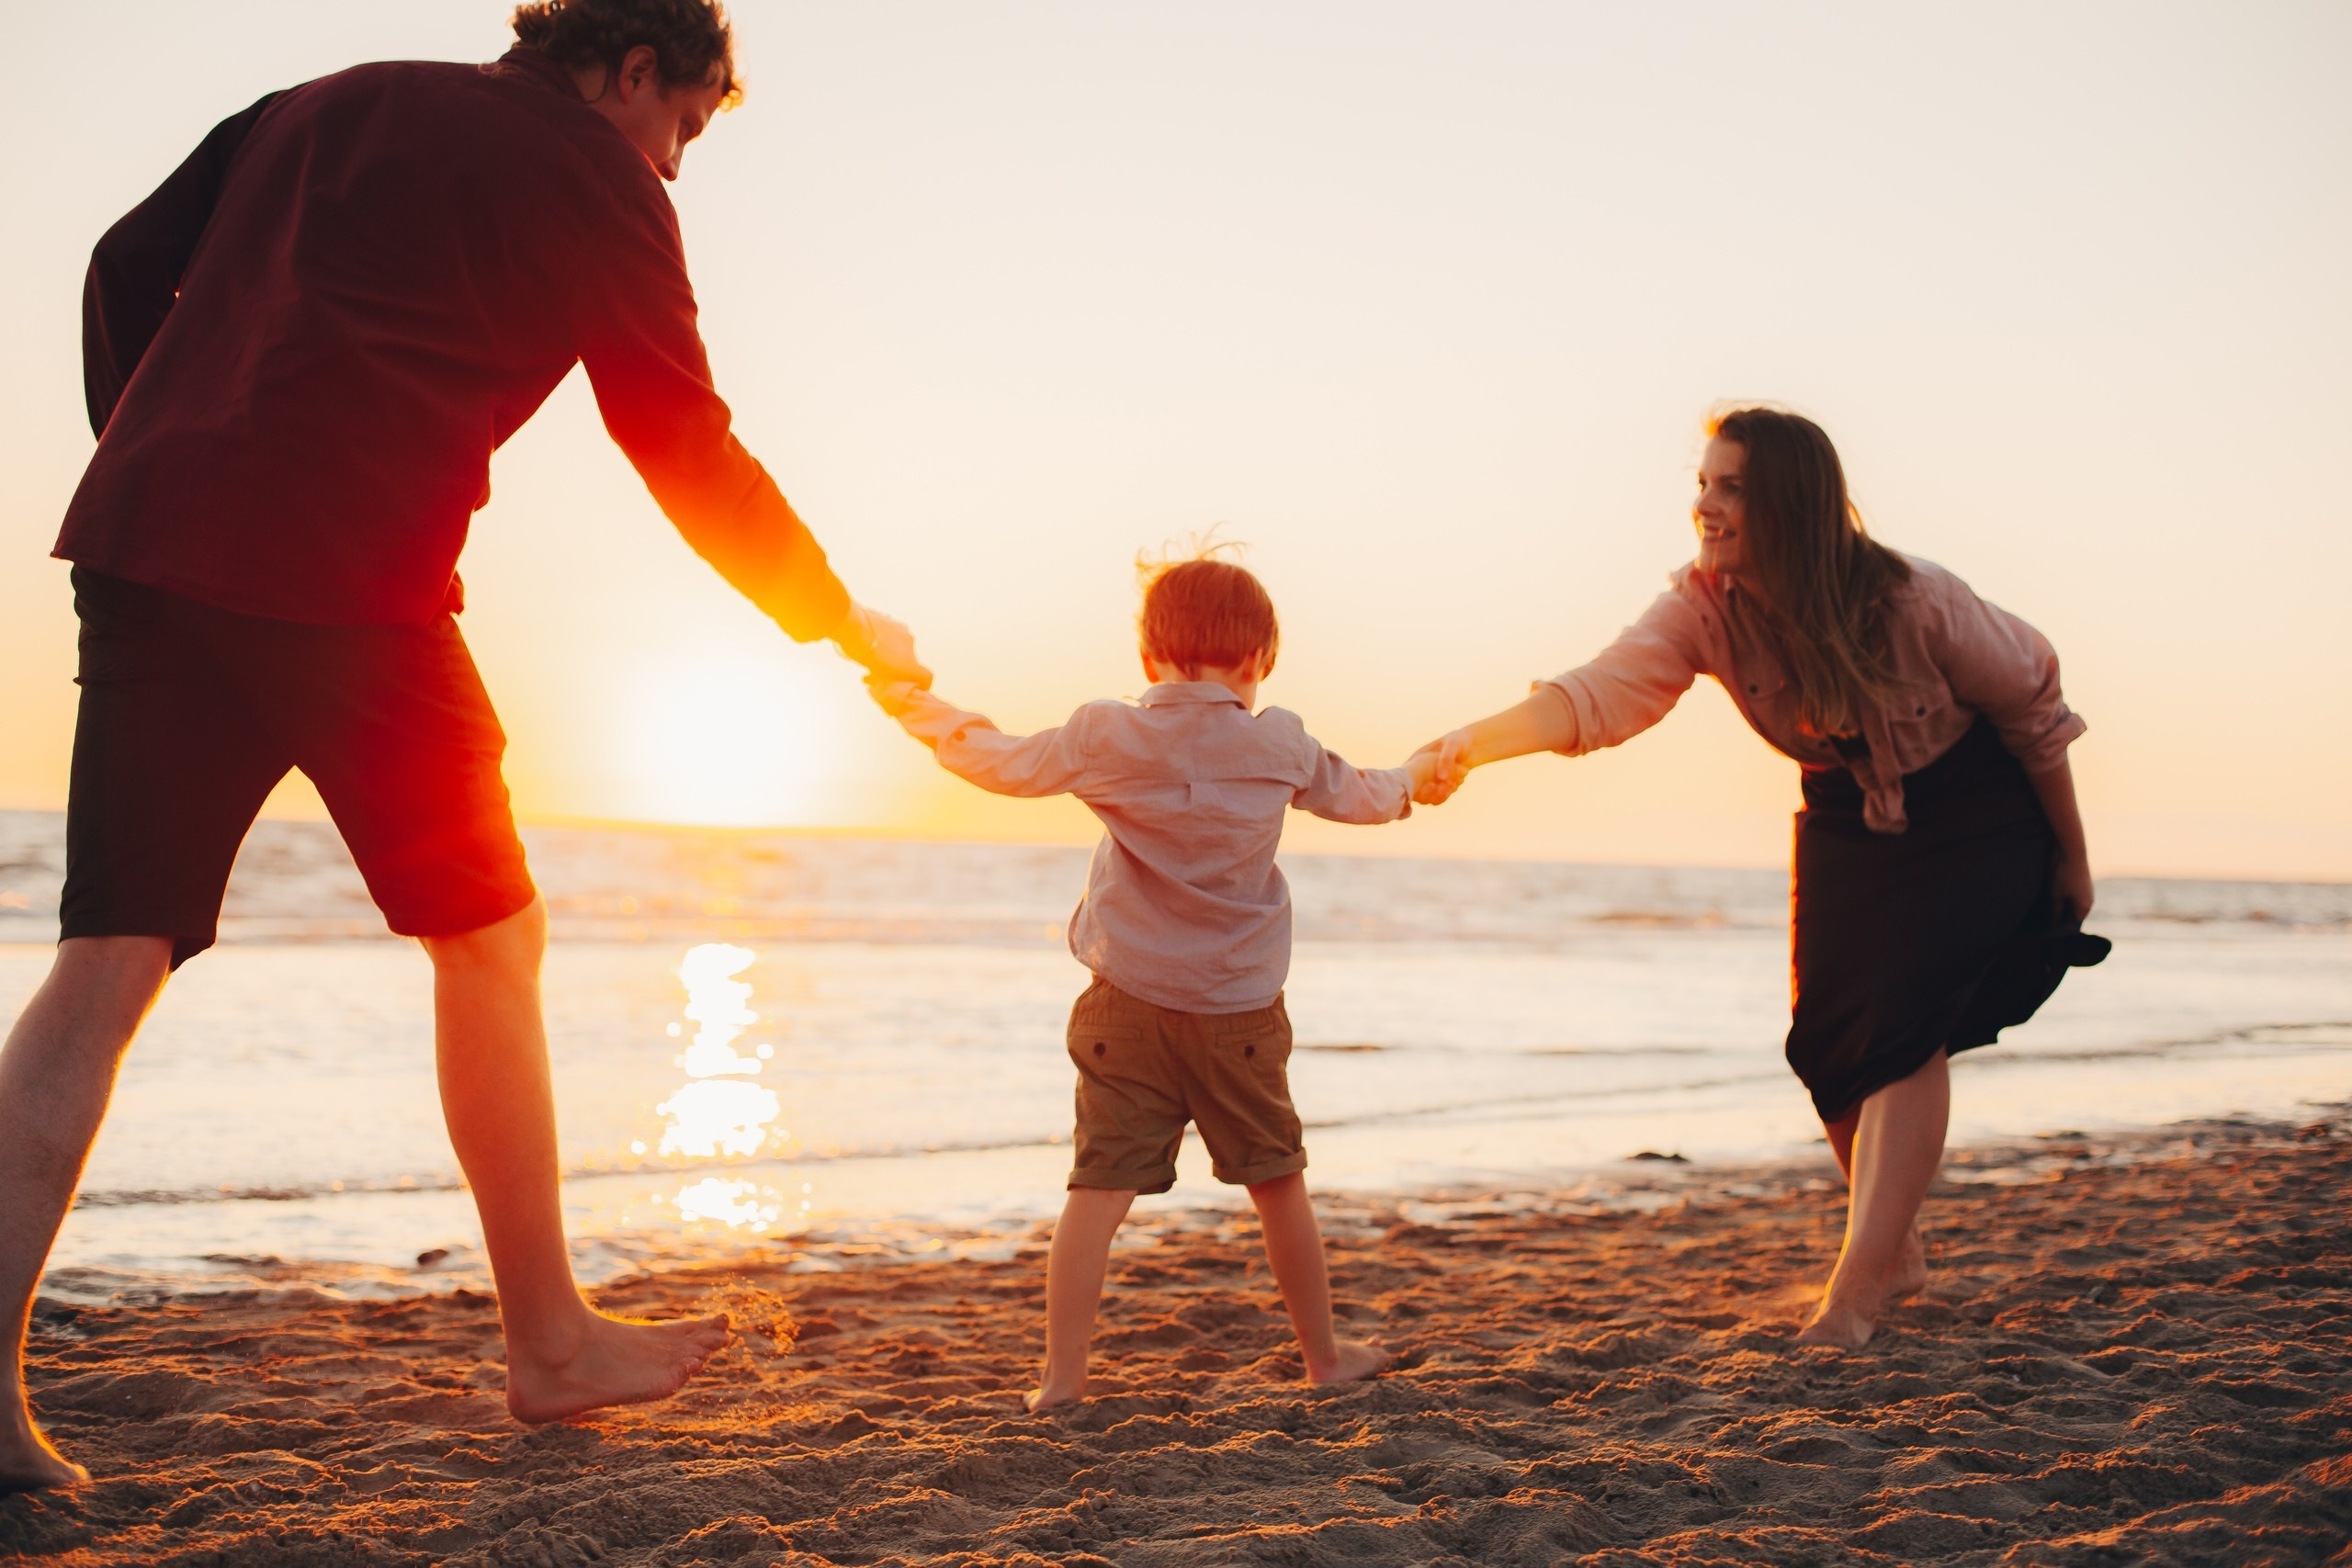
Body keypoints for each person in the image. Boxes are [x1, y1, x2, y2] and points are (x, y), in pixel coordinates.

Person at [0, 0, 931, 1493]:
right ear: (633, 69)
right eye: (683, 125)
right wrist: (831, 614)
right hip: (348, 578)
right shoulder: (593, 172)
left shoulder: (320, 97)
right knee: (493, 936)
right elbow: (677, 436)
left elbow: (121, 259)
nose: (676, 166)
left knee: (106, 954)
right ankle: (549, 1340)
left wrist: (154, 446)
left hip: (154, 543)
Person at [1413, 407, 2109, 1350]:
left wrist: (2071, 856)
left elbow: (2032, 703)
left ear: (1787, 499)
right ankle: (1891, 1248)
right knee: (1827, 1046)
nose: (1705, 503)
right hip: (1842, 810)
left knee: (1907, 1027)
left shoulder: (1912, 602)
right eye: (1702, 482)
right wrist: (1474, 744)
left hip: (1975, 805)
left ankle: (1855, 1294)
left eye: (1730, 486)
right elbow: (1604, 690)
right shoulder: (1703, 606)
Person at [867, 551, 1433, 1408]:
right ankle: (1323, 1356)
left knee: (1096, 1189)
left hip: (1124, 1007)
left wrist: (908, 698)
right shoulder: (1278, 738)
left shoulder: (1106, 733)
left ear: (1148, 657)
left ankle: (1061, 1379)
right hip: (1238, 1012)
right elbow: (1367, 795)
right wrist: (1419, 782)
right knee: (1277, 1181)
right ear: (1257, 663)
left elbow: (994, 760)